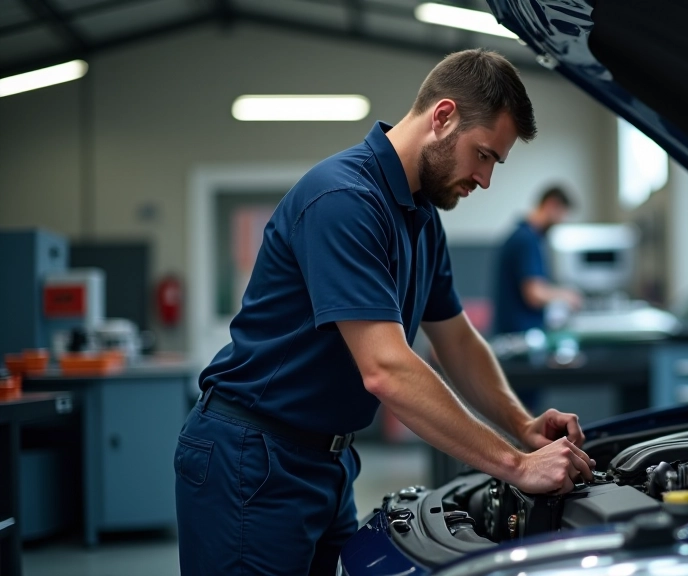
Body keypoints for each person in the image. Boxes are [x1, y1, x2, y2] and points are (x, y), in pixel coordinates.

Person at [175, 49, 595, 576]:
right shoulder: (344, 199)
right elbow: (387, 369)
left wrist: (523, 425)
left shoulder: (422, 218)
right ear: (442, 117)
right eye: (483, 155)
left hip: (325, 463)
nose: (485, 180)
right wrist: (516, 466)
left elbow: (458, 341)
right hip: (253, 459)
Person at [492, 186, 582, 334]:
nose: (560, 223)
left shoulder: (523, 236)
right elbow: (534, 294)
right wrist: (567, 295)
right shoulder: (527, 240)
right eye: (561, 216)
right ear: (552, 205)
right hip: (520, 335)